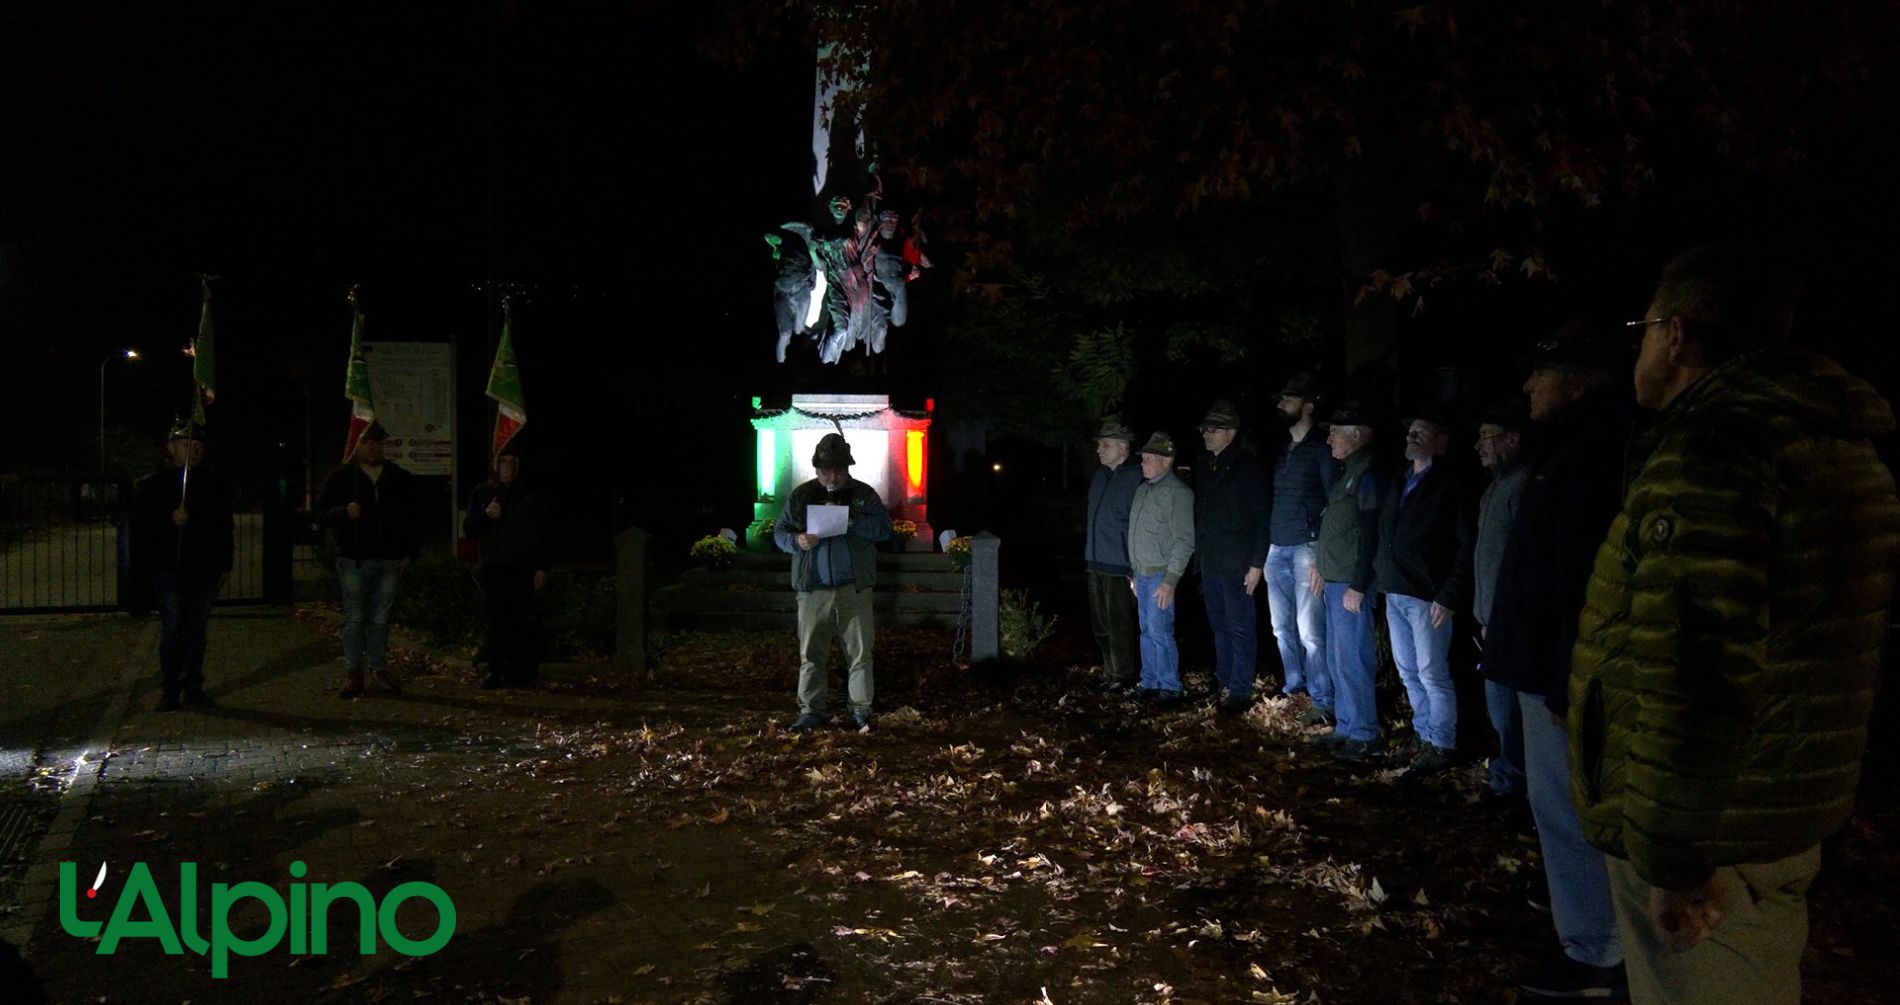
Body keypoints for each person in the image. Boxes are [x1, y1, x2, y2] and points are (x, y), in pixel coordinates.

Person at [1571, 244, 1900, 1005]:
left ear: (1678, 334)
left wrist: (1673, 857)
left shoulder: (1713, 456)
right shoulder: (1831, 446)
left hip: (1712, 835)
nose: (1637, 349)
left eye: (1643, 329)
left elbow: (1696, 673)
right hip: (1778, 811)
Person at [1487, 321, 1636, 999]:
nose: (1529, 386)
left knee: (1572, 810)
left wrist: (1562, 679)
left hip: (1561, 676)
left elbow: (1579, 579)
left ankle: (1595, 950)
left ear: (1576, 381)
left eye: (1541, 374)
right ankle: (1585, 932)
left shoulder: (1592, 452)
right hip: (1551, 668)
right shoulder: (1574, 446)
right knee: (1561, 809)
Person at [1371, 409, 1475, 777]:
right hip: (1396, 590)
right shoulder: (1401, 480)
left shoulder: (1451, 486)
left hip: (1428, 596)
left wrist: (1449, 595)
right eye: (1411, 431)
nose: (1411, 437)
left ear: (1441, 442)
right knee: (1408, 671)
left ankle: (1442, 744)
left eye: (1421, 432)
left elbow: (1466, 545)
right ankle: (1424, 736)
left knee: (1432, 673)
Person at [775, 429, 892, 731]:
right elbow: (780, 532)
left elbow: (883, 529)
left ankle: (861, 710)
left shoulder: (864, 494)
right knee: (811, 653)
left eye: (838, 471)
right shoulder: (801, 495)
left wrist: (848, 520)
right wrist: (797, 541)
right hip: (813, 589)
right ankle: (811, 710)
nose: (832, 478)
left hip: (854, 588)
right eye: (826, 471)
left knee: (860, 652)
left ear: (847, 469)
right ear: (816, 469)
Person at [130, 418, 234, 712]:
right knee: (173, 629)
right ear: (171, 447)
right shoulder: (151, 485)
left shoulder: (214, 483)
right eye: (186, 444)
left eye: (198, 445)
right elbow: (140, 528)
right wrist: (169, 522)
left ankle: (194, 687)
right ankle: (170, 688)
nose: (193, 450)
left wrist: (225, 562)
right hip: (168, 569)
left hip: (203, 567)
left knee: (196, 630)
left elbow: (224, 526)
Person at [1305, 402, 1389, 761]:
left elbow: (1370, 533)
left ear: (1356, 435)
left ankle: (1365, 735)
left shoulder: (1369, 473)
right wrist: (1323, 567)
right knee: (1339, 658)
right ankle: (1347, 726)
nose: (1329, 440)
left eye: (1335, 434)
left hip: (1351, 584)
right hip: (1336, 581)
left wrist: (1359, 583)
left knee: (1353, 659)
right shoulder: (1350, 471)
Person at [316, 422, 422, 698]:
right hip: (354, 558)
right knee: (355, 617)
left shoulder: (398, 477)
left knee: (380, 619)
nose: (373, 447)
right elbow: (320, 513)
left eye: (377, 443)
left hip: (389, 559)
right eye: (367, 442)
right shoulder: (342, 477)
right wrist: (344, 512)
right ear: (357, 445)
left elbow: (413, 517)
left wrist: (410, 552)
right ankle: (354, 673)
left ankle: (378, 669)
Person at [1191, 399, 1271, 714]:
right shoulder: (1205, 466)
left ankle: (1240, 688)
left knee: (1240, 627)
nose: (1206, 434)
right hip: (1212, 560)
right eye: (1205, 429)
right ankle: (1224, 680)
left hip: (1238, 561)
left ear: (1231, 433)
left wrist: (1256, 564)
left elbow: (1261, 518)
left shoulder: (1248, 467)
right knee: (1219, 626)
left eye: (1213, 429)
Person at [1471, 395, 1531, 802]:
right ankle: (1508, 779)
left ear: (1512, 439)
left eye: (1486, 437)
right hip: (1490, 620)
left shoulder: (1522, 486)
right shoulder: (1494, 488)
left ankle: (1516, 788)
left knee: (1512, 710)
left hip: (1509, 622)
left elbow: (1521, 559)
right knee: (1500, 708)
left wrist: (1503, 615)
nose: (1479, 446)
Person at [1265, 373, 1337, 697]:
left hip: (1306, 547)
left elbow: (1333, 501)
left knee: (1311, 631)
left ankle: (1321, 696)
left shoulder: (1321, 449)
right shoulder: (1281, 450)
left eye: (1288, 399)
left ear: (1308, 406)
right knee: (1281, 627)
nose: (1281, 405)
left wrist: (1322, 554)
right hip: (1276, 546)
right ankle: (1295, 687)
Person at [462, 445, 550, 689]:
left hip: (523, 566)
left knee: (521, 619)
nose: (507, 467)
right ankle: (495, 669)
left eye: (512, 462)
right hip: (495, 565)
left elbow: (543, 533)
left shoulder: (529, 495)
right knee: (496, 619)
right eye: (503, 461)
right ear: (495, 464)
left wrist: (541, 567)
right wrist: (486, 516)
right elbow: (470, 529)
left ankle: (520, 671)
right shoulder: (482, 492)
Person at [1126, 432, 1195, 707]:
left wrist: (1170, 580)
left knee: (1160, 631)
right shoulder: (1142, 490)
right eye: (1143, 458)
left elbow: (1184, 540)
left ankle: (1170, 686)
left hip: (1159, 575)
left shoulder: (1179, 493)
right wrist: (1133, 572)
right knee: (1146, 630)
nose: (1142, 463)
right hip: (1141, 574)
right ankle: (1150, 682)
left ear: (1166, 462)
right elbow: (1135, 534)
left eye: (1148, 459)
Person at [1084, 416, 1143, 692]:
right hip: (1095, 560)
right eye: (1099, 444)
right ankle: (1110, 672)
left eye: (1105, 445)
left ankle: (1124, 674)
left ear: (1123, 447)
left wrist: (1134, 566)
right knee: (1101, 624)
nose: (1099, 449)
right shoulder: (1099, 476)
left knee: (1119, 624)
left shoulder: (1135, 477)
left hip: (1120, 564)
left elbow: (1138, 524)